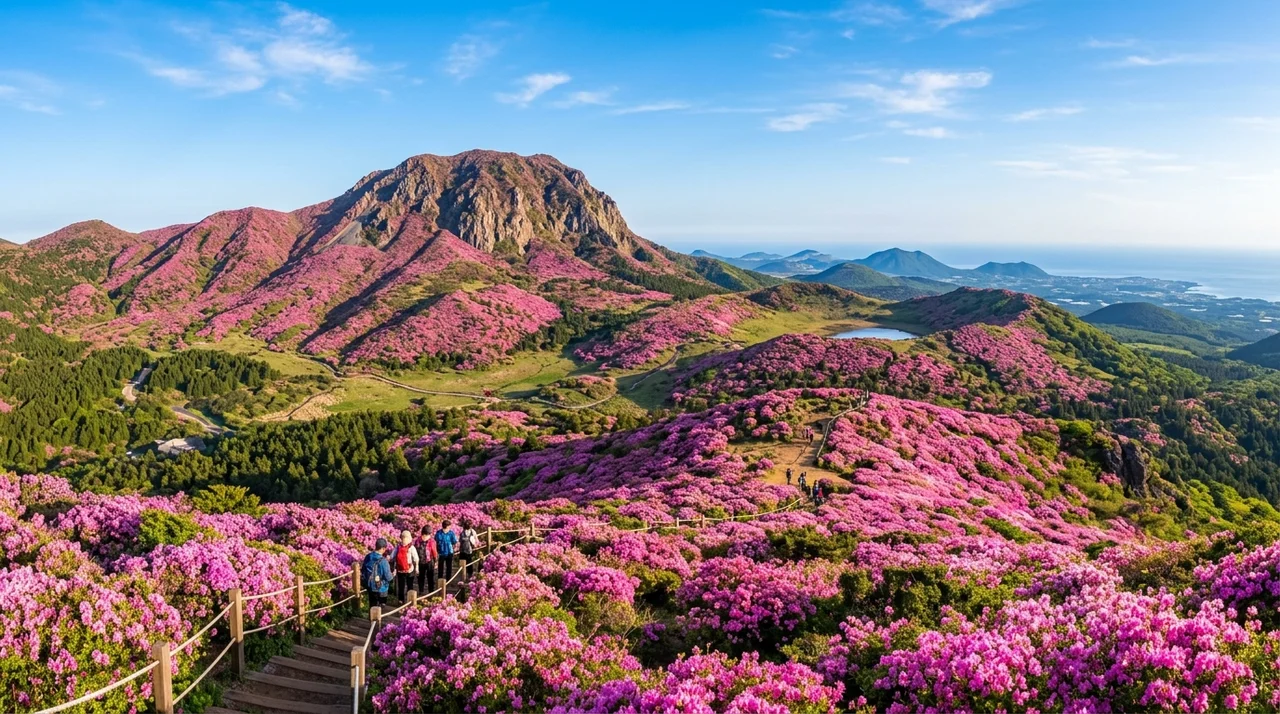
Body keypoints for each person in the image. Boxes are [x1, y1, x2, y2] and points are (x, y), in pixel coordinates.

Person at [361, 538, 392, 608]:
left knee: (372, 604)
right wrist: (393, 574)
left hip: (369, 585)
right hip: (381, 588)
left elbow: (363, 569)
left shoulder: (368, 556)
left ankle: (371, 618)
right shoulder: (383, 561)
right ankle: (377, 617)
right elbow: (388, 577)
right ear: (383, 548)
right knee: (379, 606)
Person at [392, 530, 419, 602]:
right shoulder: (411, 547)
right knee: (410, 585)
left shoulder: (398, 547)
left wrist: (394, 568)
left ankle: (401, 600)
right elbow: (416, 559)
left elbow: (392, 557)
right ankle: (410, 600)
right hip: (410, 569)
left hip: (400, 569)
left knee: (401, 586)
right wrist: (416, 568)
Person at [415, 525, 438, 595]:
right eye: (429, 534)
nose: (430, 536)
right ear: (424, 534)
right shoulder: (417, 541)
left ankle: (431, 592)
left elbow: (434, 552)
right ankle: (421, 591)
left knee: (430, 577)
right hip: (420, 562)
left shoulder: (431, 541)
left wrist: (436, 561)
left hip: (429, 561)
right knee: (420, 577)